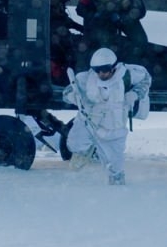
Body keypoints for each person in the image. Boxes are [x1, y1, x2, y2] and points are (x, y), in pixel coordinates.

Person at [62, 47, 151, 185]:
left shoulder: (128, 74)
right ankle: (83, 157)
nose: (101, 74)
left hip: (114, 129)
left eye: (105, 69)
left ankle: (116, 196)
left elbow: (146, 79)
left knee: (116, 170)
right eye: (97, 70)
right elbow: (67, 91)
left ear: (113, 67)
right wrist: (71, 96)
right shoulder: (85, 78)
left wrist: (136, 94)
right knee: (75, 144)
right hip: (89, 122)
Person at [76, 0, 147, 54]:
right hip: (99, 24)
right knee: (103, 41)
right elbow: (80, 9)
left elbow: (140, 9)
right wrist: (98, 13)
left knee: (140, 40)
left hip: (122, 19)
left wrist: (130, 11)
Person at [50, 0, 83, 84]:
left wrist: (79, 27)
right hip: (54, 41)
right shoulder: (53, 1)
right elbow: (58, 22)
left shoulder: (56, 1)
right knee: (72, 53)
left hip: (56, 37)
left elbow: (63, 19)